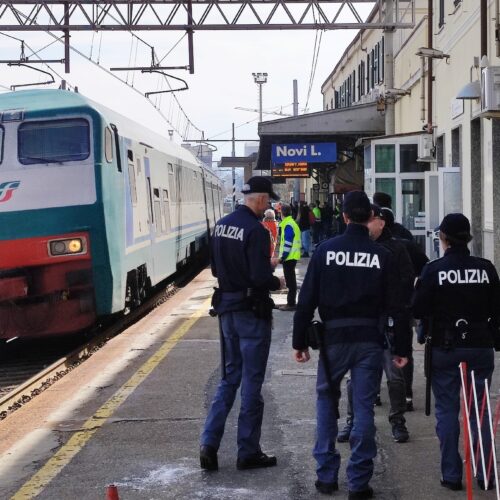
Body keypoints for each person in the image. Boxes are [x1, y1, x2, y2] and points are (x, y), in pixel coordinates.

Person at [293, 191, 409, 499]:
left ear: (344, 216)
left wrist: (299, 341)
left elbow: (306, 301)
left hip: (333, 341)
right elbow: (399, 306)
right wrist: (402, 349)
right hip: (370, 341)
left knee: (326, 404)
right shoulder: (382, 255)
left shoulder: (324, 251)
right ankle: (359, 482)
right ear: (369, 217)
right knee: (363, 409)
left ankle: (327, 477)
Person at [200, 176, 285, 472]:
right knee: (251, 383)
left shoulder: (221, 225)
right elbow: (260, 278)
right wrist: (277, 280)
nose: (268, 206)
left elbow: (214, 269)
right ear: (260, 199)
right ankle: (247, 451)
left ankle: (208, 444)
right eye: (268, 200)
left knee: (228, 379)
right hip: (251, 313)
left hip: (226, 311)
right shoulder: (256, 231)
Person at [412, 213, 500, 491]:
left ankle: (451, 475)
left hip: (445, 348)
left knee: (447, 412)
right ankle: (485, 473)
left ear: (444, 239)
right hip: (480, 346)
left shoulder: (434, 269)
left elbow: (418, 309)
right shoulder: (486, 268)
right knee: (480, 412)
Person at [337, 205, 414, 444]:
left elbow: (407, 282)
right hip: (363, 324)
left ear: (380, 222)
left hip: (388, 323)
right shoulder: (356, 249)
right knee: (355, 379)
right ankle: (351, 421)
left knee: (395, 377)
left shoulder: (398, 248)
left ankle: (397, 421)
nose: (367, 225)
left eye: (371, 220)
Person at [380, 206, 429, 411]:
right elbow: (425, 267)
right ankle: (406, 394)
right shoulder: (407, 243)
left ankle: (381, 393)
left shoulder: (388, 246)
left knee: (381, 350)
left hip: (387, 308)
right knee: (403, 349)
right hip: (403, 308)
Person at [274, 204, 301, 311]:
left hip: (289, 257)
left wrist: (282, 257)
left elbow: (288, 243)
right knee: (291, 281)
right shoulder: (291, 223)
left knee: (290, 282)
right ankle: (291, 302)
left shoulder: (288, 224)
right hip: (292, 257)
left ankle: (291, 304)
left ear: (281, 213)